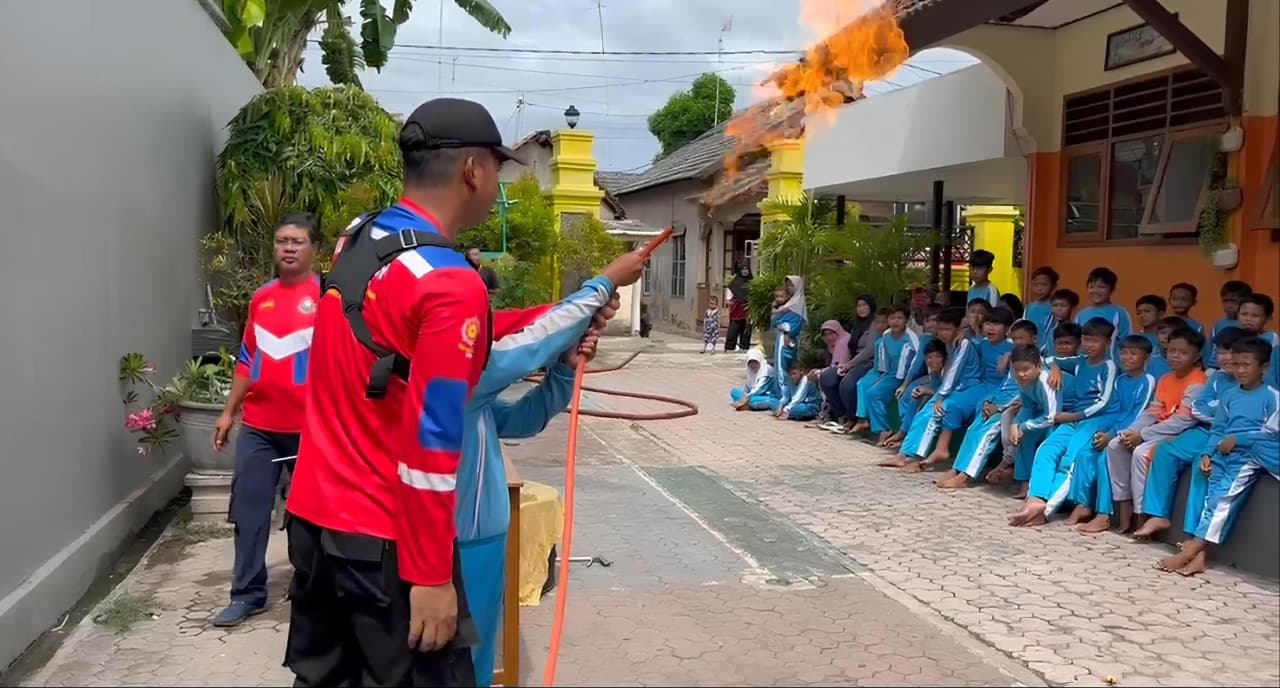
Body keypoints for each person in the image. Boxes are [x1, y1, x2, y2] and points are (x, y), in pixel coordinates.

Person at [283, 97, 642, 686]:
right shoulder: (452, 283)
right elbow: (431, 442)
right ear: (474, 170)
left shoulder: (363, 240)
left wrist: (567, 316)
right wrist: (429, 575)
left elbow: (423, 340)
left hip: (317, 525)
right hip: (388, 541)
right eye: (498, 169)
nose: (498, 182)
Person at [456, 278, 626, 686]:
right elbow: (522, 351)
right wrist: (601, 286)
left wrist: (565, 369)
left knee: (472, 656)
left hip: (481, 538)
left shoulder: (474, 396)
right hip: (452, 541)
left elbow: (520, 420)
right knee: (450, 657)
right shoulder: (450, 378)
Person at [210, 214, 321, 627]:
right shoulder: (262, 299)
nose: (288, 248)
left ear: (314, 249)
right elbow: (247, 359)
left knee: (309, 517)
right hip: (259, 427)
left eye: (297, 241)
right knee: (249, 511)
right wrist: (228, 411)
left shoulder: (327, 298)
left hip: (310, 430)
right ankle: (248, 594)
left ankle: (309, 590)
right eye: (281, 241)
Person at [1156, 336, 1276, 576]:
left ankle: (1194, 547)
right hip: (1223, 453)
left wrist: (1240, 440)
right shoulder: (1229, 395)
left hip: (1248, 457)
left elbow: (1273, 435)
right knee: (1211, 498)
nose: (1240, 370)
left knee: (1222, 500)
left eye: (1246, 365)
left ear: (1263, 367)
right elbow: (1219, 428)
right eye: (1236, 364)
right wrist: (1207, 453)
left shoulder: (1272, 396)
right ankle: (1200, 557)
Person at [1130, 327, 1245, 542]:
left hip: (1229, 437)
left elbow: (1236, 417)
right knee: (1165, 451)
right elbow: (1198, 409)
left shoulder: (1251, 381)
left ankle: (1193, 533)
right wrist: (1220, 413)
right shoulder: (1216, 378)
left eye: (1232, 352)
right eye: (1221, 351)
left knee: (1201, 467)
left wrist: (1218, 411)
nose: (1226, 358)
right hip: (1205, 429)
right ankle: (1158, 514)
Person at [1008, 318, 1120, 527]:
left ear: (1107, 342)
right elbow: (1048, 359)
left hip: (1094, 420)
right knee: (1047, 449)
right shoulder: (1080, 361)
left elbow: (1104, 403)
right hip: (1073, 419)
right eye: (1086, 339)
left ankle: (1046, 508)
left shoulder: (1109, 365)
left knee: (1069, 460)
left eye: (1095, 341)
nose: (1089, 345)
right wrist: (1056, 368)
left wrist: (1073, 416)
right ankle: (1035, 499)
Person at [1105, 327, 1207, 535]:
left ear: (1196, 356)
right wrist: (1130, 432)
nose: (1176, 356)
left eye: (1183, 352)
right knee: (1116, 444)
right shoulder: (1165, 379)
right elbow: (1153, 412)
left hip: (1180, 433)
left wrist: (1143, 436)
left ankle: (1143, 514)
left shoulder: (1198, 381)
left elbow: (1183, 421)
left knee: (1142, 454)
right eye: (1172, 351)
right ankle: (1124, 505)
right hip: (1157, 430)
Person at [1066, 335, 1157, 532]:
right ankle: (1082, 505)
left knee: (1103, 460)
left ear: (1146, 358)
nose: (1127, 358)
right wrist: (1102, 431)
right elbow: (1113, 410)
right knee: (1084, 454)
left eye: (1133, 354)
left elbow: (1138, 414)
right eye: (1123, 353)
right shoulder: (1121, 381)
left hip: (1128, 434)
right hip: (1112, 431)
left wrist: (1113, 435)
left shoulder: (1147, 381)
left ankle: (1103, 514)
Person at [939, 318, 1037, 489]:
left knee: (986, 433)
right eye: (1015, 339)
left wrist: (998, 408)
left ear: (1034, 339)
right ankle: (956, 469)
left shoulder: (1035, 362)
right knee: (973, 430)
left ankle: (966, 476)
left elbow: (1024, 394)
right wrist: (989, 402)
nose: (1018, 343)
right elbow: (1004, 387)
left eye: (1022, 338)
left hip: (1011, 409)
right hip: (998, 402)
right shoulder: (1016, 359)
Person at [910, 308, 1009, 471]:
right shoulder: (981, 344)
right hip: (982, 386)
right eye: (988, 323)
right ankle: (942, 449)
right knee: (951, 405)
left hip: (1002, 390)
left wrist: (1010, 356)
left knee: (979, 413)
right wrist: (964, 334)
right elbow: (968, 343)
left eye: (997, 324)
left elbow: (1036, 358)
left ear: (1007, 329)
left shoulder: (1012, 347)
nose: (991, 328)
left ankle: (973, 466)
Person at [881, 308, 975, 468]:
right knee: (920, 408)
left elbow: (954, 372)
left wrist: (940, 396)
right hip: (953, 388)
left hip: (967, 388)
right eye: (940, 330)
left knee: (931, 413)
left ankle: (914, 456)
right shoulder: (949, 344)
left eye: (947, 329)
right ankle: (904, 453)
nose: (943, 333)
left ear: (957, 329)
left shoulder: (962, 343)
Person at [854, 306, 920, 437]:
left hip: (909, 376)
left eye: (899, 318)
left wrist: (905, 384)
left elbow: (917, 363)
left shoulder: (911, 338)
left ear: (906, 320)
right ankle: (883, 429)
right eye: (892, 318)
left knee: (897, 396)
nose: (895, 321)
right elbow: (884, 362)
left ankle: (904, 434)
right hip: (892, 375)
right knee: (872, 393)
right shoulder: (886, 335)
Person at [881, 307, 940, 448]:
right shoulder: (925, 338)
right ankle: (904, 432)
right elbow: (917, 362)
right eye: (928, 320)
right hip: (929, 376)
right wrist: (905, 384)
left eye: (935, 320)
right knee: (907, 393)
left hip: (944, 380)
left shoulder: (952, 340)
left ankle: (908, 437)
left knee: (919, 395)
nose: (931, 324)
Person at [819, 295, 877, 432]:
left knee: (847, 384)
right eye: (859, 306)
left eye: (865, 305)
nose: (862, 309)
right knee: (827, 377)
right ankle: (841, 415)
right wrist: (844, 365)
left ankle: (853, 418)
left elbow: (869, 350)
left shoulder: (874, 324)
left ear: (871, 306)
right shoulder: (857, 325)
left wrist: (849, 365)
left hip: (868, 363)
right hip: (853, 362)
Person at [1075, 267, 1131, 359]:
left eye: (1101, 287)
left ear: (1112, 290)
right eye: (1091, 287)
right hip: (1083, 367)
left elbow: (1127, 344)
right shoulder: (1080, 315)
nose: (1095, 291)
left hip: (1110, 368)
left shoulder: (1119, 313)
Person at [770, 275, 807, 402]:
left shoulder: (796, 303)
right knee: (784, 365)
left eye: (792, 285)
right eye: (788, 285)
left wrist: (784, 329)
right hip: (784, 337)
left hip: (787, 338)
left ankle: (783, 395)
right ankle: (784, 393)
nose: (789, 288)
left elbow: (791, 324)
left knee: (783, 366)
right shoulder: (789, 303)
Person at [1204, 280, 1251, 369]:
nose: (1229, 305)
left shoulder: (1248, 325)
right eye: (1225, 301)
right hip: (1215, 368)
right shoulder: (1218, 324)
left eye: (1234, 301)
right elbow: (1210, 348)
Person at [1235, 293, 1279, 387]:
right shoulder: (1231, 337)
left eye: (1255, 316)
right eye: (1244, 314)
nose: (1248, 319)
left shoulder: (1271, 338)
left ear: (1267, 318)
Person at [1025, 267, 1060, 356]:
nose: (1039, 288)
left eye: (1044, 285)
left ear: (1054, 286)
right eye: (1036, 285)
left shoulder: (1055, 307)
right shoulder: (1029, 307)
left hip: (1047, 354)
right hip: (1028, 352)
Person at [724, 262, 753, 352]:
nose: (745, 271)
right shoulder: (734, 284)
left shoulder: (752, 282)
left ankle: (744, 346)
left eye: (746, 269)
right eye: (743, 269)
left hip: (748, 310)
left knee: (747, 329)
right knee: (733, 329)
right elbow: (729, 298)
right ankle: (729, 347)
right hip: (737, 310)